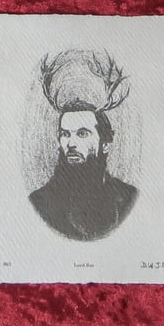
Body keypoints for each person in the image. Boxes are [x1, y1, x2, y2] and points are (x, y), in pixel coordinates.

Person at [29, 102, 137, 241]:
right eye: (65, 134)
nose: (71, 144)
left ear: (105, 144)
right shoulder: (39, 201)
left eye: (82, 134)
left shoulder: (128, 197)